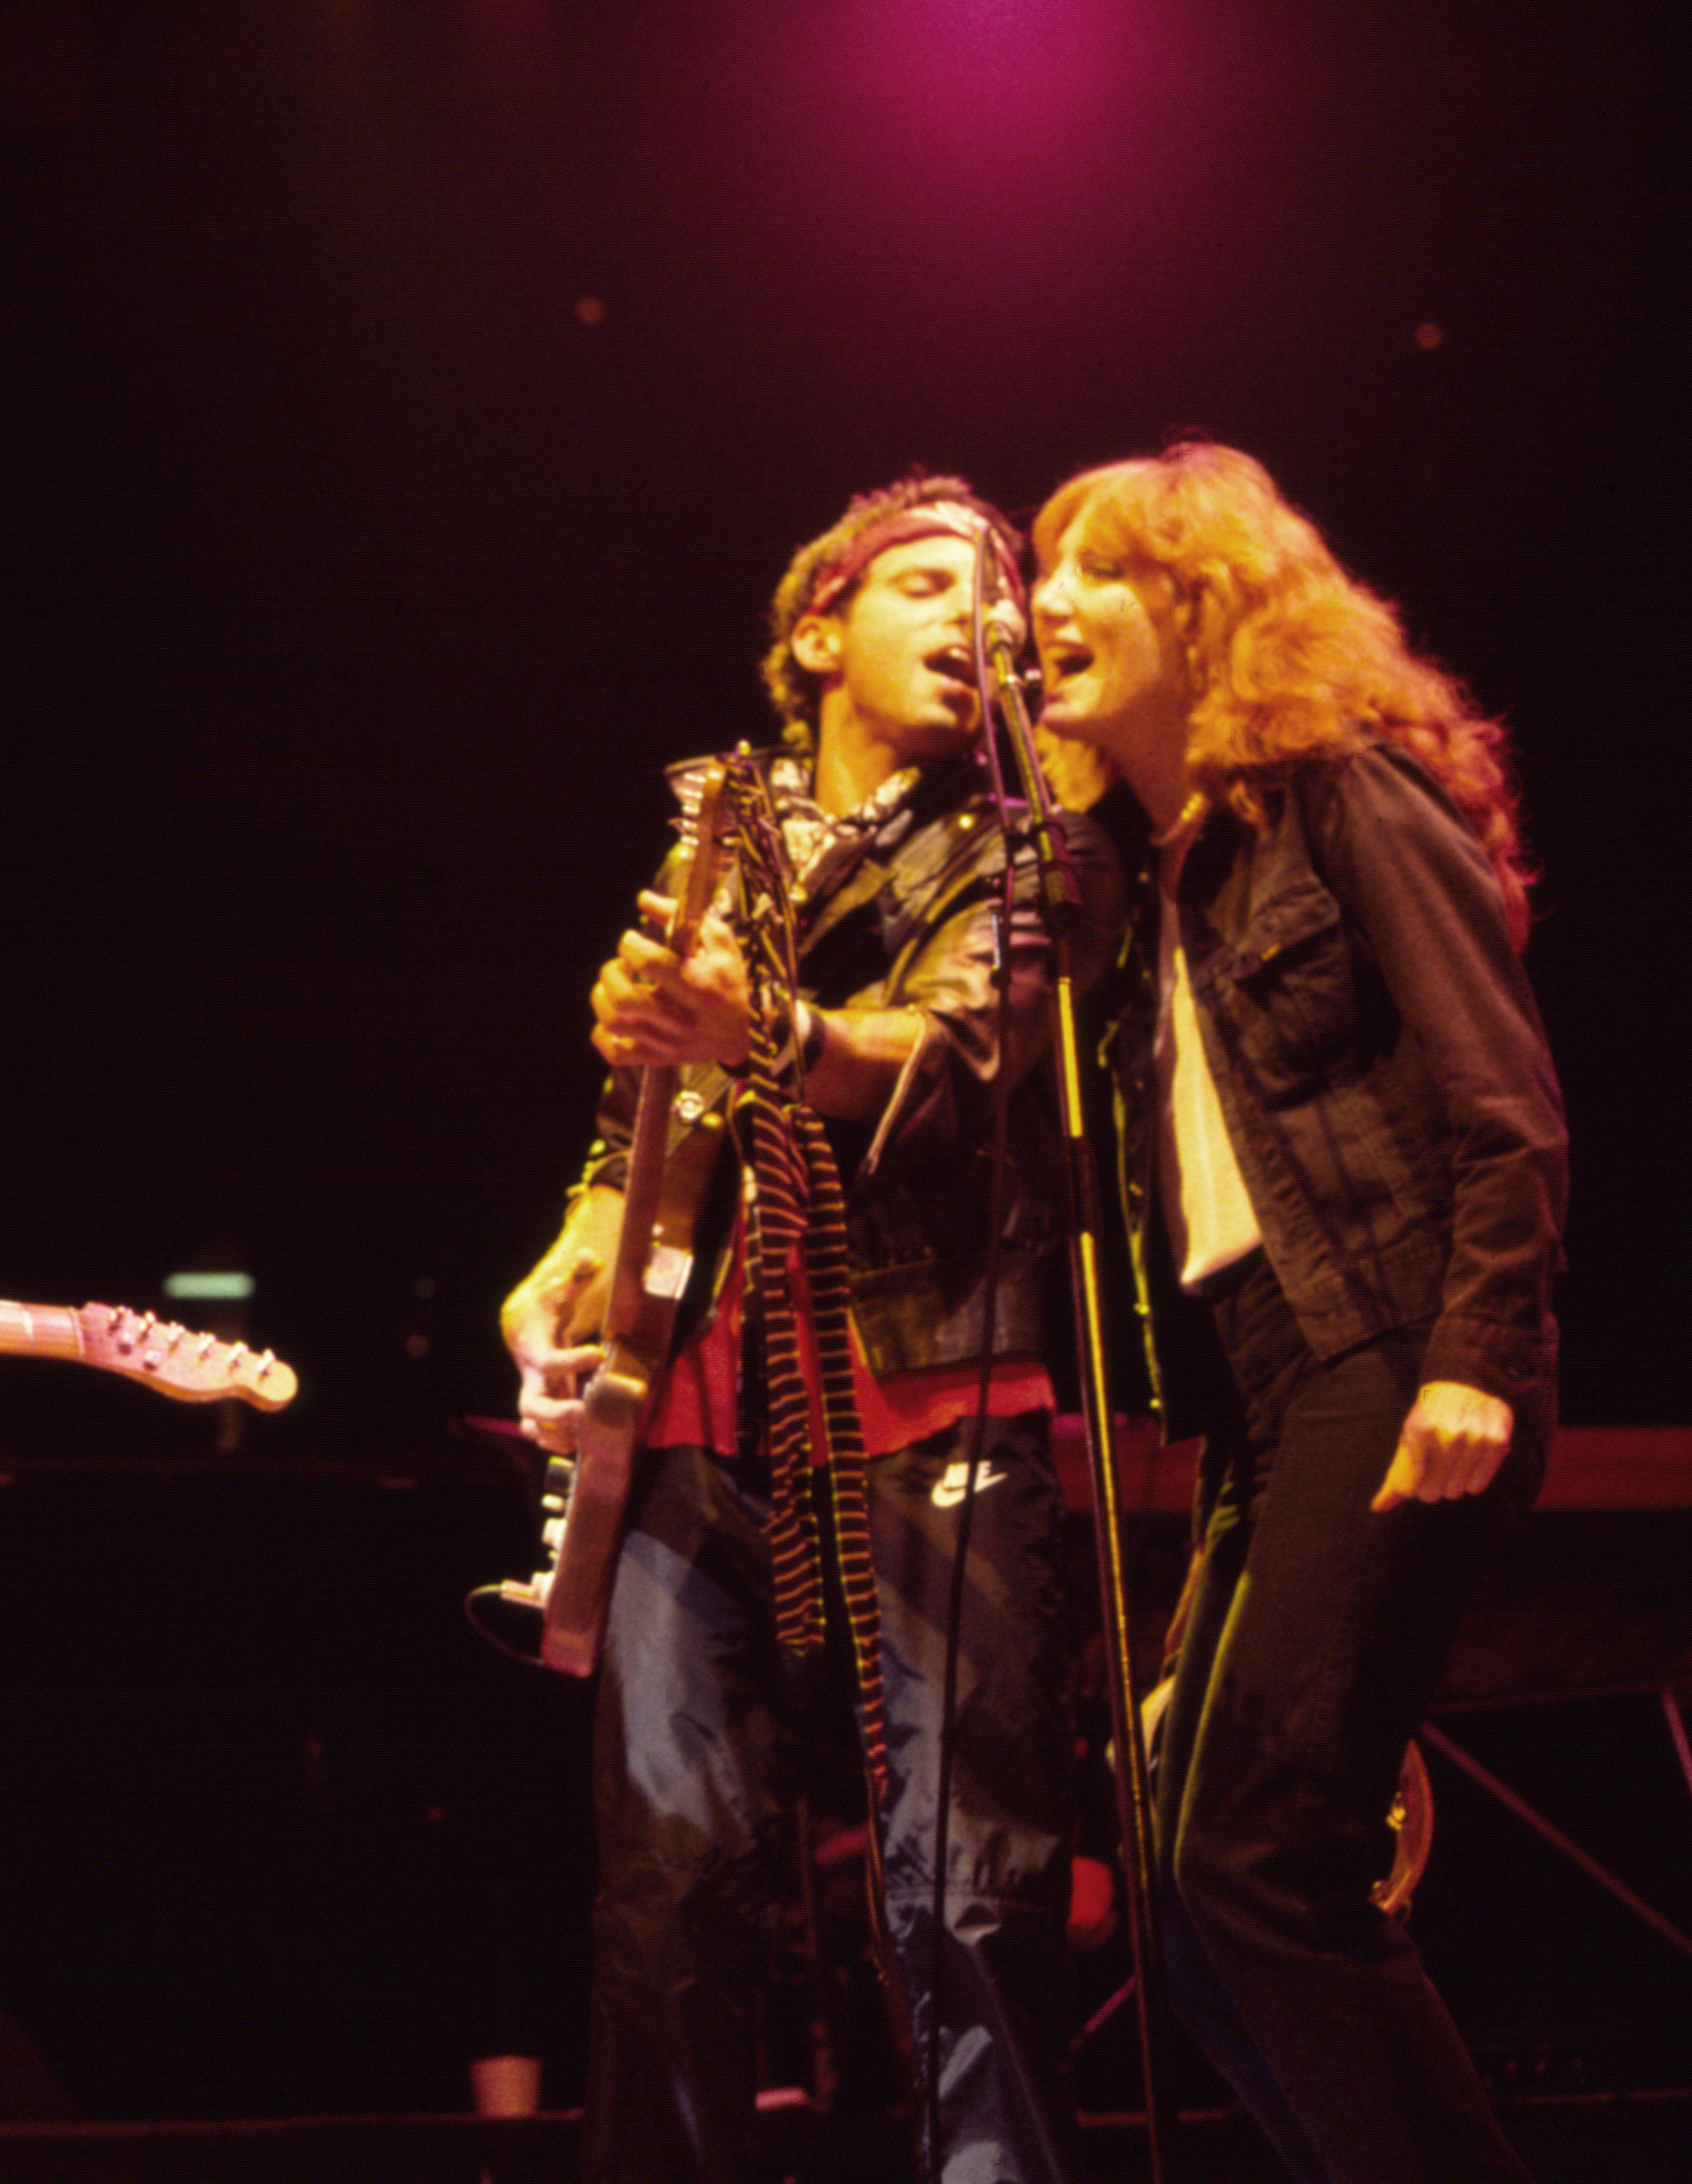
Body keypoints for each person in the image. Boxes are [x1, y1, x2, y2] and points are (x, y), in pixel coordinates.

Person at [501, 476, 1111, 2181]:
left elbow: (954, 1053)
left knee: (966, 1882)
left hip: (935, 1400)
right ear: (817, 635)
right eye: (925, 582)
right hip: (698, 1418)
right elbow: (636, 1131)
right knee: (666, 1892)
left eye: (997, 591)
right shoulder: (720, 832)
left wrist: (765, 1025)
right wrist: (566, 1251)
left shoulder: (1035, 837)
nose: (976, 612)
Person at [1028, 440, 1564, 2183]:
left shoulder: (1339, 795)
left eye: (1092, 571)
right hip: (1272, 1387)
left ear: (1200, 605)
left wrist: (1478, 1355)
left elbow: (1506, 1104)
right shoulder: (1157, 881)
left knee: (1268, 1853)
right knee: (1191, 1905)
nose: (1046, 606)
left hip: (1391, 1346)